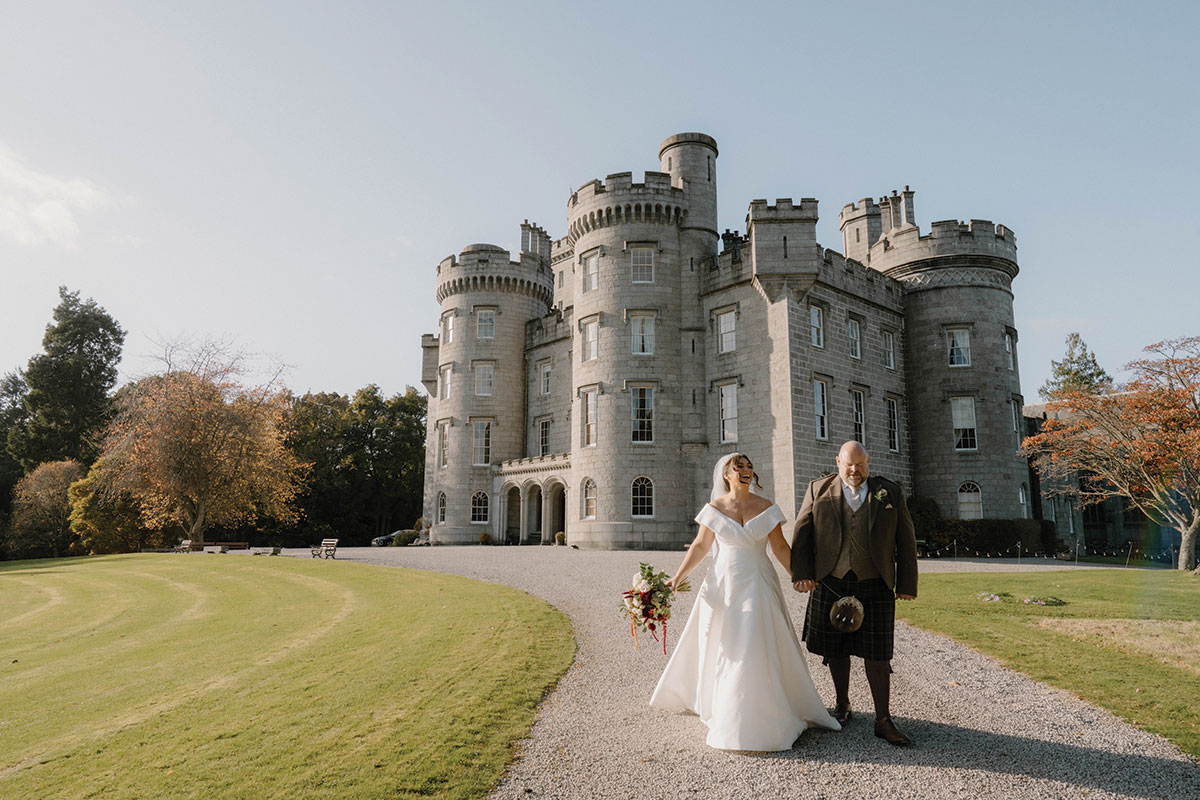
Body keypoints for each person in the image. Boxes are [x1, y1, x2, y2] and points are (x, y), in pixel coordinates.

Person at [650, 453, 840, 751]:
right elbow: (701, 546)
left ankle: (761, 714)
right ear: (726, 474)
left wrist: (801, 577)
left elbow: (779, 547)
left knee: (754, 640)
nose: (746, 471)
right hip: (723, 584)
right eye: (739, 467)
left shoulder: (766, 507)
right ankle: (724, 706)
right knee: (723, 642)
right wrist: (676, 578)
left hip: (757, 582)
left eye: (749, 466)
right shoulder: (714, 508)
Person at [790, 441, 918, 746]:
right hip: (831, 582)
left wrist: (907, 585)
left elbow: (906, 539)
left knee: (878, 653)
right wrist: (802, 574)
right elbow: (802, 533)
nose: (855, 471)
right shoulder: (818, 490)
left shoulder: (890, 492)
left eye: (860, 465)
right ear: (838, 462)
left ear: (868, 462)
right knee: (836, 648)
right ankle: (843, 704)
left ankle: (883, 719)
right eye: (849, 464)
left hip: (876, 583)